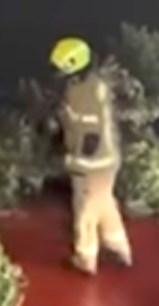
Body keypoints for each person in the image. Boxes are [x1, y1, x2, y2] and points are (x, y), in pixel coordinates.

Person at [51, 36, 132, 275]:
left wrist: (77, 158)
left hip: (91, 165)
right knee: (104, 202)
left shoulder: (81, 93)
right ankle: (117, 246)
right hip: (108, 160)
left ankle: (85, 258)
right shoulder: (96, 85)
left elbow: (90, 133)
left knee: (85, 210)